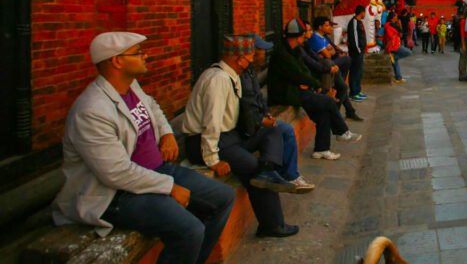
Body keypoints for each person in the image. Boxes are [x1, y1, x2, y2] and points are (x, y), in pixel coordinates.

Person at [54, 32, 235, 263]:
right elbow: (116, 173)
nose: (145, 56)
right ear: (117, 61)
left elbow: (152, 106)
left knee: (223, 196)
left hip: (157, 170)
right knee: (189, 230)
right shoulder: (92, 111)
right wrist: (169, 187)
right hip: (116, 195)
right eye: (138, 53)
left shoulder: (131, 86)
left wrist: (167, 133)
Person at [183, 35, 308, 239]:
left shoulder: (231, 76)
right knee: (253, 168)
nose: (252, 59)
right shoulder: (218, 79)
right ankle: (273, 224)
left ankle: (269, 168)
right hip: (205, 141)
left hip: (229, 136)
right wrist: (212, 159)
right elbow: (211, 122)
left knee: (275, 130)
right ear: (239, 58)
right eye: (249, 54)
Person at [269, 18, 361, 161]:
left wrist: (312, 85)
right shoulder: (282, 54)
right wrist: (316, 85)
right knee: (328, 102)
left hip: (297, 88)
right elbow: (297, 74)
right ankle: (342, 131)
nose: (307, 35)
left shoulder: (296, 49)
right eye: (304, 33)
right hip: (285, 93)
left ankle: (322, 149)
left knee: (323, 112)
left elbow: (304, 70)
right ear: (297, 36)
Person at [240, 34, 313, 190]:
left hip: (255, 120)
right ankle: (282, 174)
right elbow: (244, 106)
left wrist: (266, 113)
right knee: (278, 130)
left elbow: (258, 98)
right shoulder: (240, 76)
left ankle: (288, 173)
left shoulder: (250, 72)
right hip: (243, 129)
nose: (263, 55)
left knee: (284, 129)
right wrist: (261, 120)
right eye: (260, 51)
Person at [310, 18, 362, 122]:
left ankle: (347, 112)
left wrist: (330, 51)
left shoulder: (323, 38)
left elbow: (332, 51)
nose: (330, 28)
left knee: (342, 86)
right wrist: (329, 52)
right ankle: (337, 113)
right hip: (324, 68)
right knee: (346, 61)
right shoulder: (315, 38)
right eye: (327, 25)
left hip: (330, 65)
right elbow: (328, 55)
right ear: (320, 27)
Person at [346, 6, 369, 101]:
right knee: (355, 71)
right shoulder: (354, 22)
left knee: (359, 72)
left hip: (360, 51)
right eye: (365, 12)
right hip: (356, 52)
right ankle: (353, 92)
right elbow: (354, 38)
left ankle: (358, 91)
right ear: (361, 12)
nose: (365, 15)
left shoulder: (359, 22)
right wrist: (358, 50)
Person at [384, 18, 411, 83]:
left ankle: (398, 78)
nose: (397, 18)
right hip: (394, 46)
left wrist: (400, 24)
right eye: (395, 16)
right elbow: (391, 37)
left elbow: (400, 34)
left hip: (395, 45)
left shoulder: (394, 26)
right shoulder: (389, 27)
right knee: (408, 52)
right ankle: (394, 56)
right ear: (392, 18)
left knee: (395, 62)